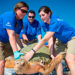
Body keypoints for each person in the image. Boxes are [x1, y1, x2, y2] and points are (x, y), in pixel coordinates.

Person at [24, 6, 75, 75]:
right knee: (56, 60)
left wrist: (32, 51)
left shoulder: (55, 21)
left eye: (43, 15)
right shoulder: (43, 24)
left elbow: (45, 39)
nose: (41, 17)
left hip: (72, 38)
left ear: (49, 13)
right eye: (40, 16)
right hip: (61, 41)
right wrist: (51, 53)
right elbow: (50, 38)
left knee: (69, 58)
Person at [0, 1, 29, 75]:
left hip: (7, 41)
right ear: (16, 9)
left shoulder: (20, 22)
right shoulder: (9, 16)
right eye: (23, 11)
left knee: (18, 60)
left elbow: (16, 36)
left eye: (26, 11)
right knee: (1, 62)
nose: (24, 13)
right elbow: (11, 35)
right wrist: (16, 52)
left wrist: (23, 48)